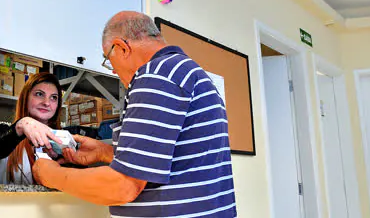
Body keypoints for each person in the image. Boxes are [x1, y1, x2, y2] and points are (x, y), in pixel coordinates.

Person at [32, 11, 237, 217]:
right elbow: (173, 159)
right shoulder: (188, 73)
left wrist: (50, 174)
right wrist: (104, 152)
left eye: (109, 61)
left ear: (122, 47)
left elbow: (123, 187)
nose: (113, 71)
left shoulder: (156, 77)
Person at [0, 72, 63, 185]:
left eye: (53, 97)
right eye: (39, 94)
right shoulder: (5, 133)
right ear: (26, 98)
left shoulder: (63, 140)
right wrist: (22, 125)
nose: (46, 103)